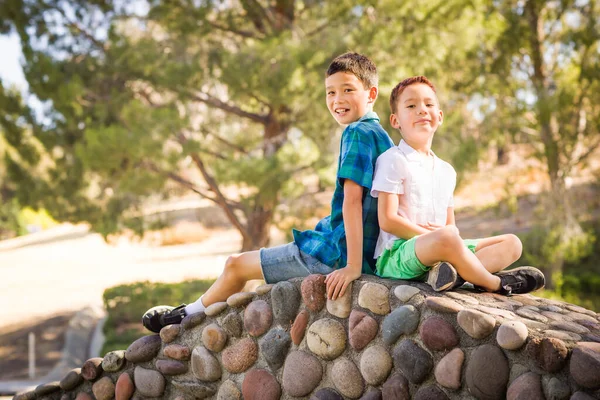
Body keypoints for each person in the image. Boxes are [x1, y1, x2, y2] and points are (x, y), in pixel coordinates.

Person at [142, 52, 396, 333]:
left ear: (371, 93)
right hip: (356, 249)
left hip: (332, 253)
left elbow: (352, 201)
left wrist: (351, 266)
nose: (337, 100)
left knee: (235, 265)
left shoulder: (357, 133)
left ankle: (181, 318)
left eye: (348, 90)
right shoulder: (381, 135)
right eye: (330, 92)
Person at [371, 76, 545, 295]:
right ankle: (495, 283)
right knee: (447, 237)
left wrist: (448, 238)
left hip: (443, 249)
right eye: (411, 106)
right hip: (400, 253)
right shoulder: (393, 159)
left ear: (440, 116)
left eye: (429, 104)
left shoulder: (446, 171)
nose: (422, 110)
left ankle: (449, 275)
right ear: (396, 121)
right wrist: (431, 236)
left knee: (512, 243)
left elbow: (450, 226)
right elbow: (388, 220)